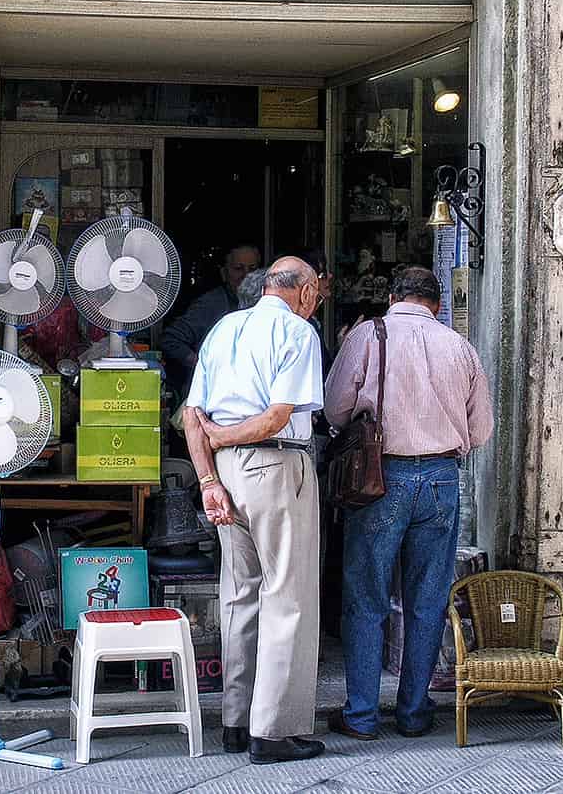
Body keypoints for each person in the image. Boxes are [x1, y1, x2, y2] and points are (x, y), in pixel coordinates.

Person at [322, 266, 494, 741]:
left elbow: (334, 408)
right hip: (441, 477)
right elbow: (480, 430)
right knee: (427, 599)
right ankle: (414, 713)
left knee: (366, 598)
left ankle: (361, 715)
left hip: (379, 476)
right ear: (437, 304)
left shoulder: (367, 335)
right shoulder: (460, 346)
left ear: (393, 296)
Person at [182, 257, 326, 765]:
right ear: (305, 292)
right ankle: (273, 731)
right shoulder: (298, 332)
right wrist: (226, 437)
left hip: (227, 473)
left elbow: (191, 416)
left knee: (239, 593)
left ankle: (236, 722)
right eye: (317, 294)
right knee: (287, 595)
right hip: (276, 466)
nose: (316, 303)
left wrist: (208, 479)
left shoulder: (224, 328)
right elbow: (276, 417)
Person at [162, 243, 261, 391]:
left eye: (252, 269)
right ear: (224, 273)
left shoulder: (264, 304)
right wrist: (204, 366)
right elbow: (170, 339)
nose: (247, 275)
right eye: (238, 268)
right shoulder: (210, 305)